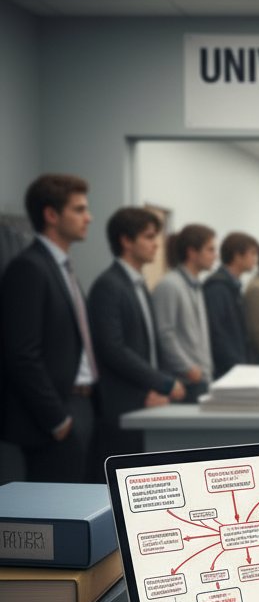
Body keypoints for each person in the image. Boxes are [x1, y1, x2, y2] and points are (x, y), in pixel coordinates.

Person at [0, 173, 97, 482]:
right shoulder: (29, 268)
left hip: (81, 404)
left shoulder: (62, 267)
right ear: (51, 215)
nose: (89, 218)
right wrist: (57, 420)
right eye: (79, 210)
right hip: (54, 417)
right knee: (61, 521)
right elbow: (22, 353)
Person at [88, 207, 184, 460]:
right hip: (123, 404)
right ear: (126, 241)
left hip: (148, 399)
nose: (156, 244)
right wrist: (161, 382)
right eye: (149, 237)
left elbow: (148, 346)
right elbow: (113, 349)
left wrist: (158, 385)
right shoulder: (109, 285)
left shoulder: (139, 284)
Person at [152, 223, 216, 402]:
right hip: (183, 382)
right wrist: (188, 368)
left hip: (201, 379)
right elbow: (165, 333)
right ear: (192, 252)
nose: (215, 256)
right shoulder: (170, 285)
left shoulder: (196, 286)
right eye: (210, 250)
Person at [204, 231, 257, 379]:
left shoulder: (234, 286)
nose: (255, 259)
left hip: (238, 366)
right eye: (252, 254)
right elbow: (217, 332)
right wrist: (235, 364)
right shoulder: (217, 288)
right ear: (237, 256)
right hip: (226, 369)